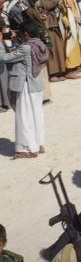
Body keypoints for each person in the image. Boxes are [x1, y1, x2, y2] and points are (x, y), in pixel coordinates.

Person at [0, 20, 47, 159]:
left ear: (26, 34)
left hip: (26, 85)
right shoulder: (39, 43)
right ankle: (38, 144)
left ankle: (26, 149)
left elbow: (4, 57)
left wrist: (1, 43)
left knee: (24, 116)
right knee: (36, 115)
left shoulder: (26, 48)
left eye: (20, 33)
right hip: (37, 85)